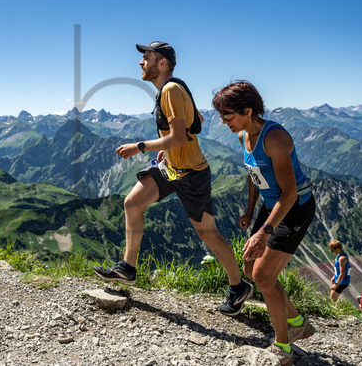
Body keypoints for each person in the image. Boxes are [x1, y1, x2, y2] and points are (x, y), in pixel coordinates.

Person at [93, 42, 253, 316]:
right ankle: (128, 269)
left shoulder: (170, 90)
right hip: (172, 168)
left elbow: (179, 137)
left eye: (147, 57)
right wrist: (166, 151)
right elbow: (196, 121)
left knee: (208, 233)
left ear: (162, 63)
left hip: (192, 175)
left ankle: (239, 287)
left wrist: (140, 146)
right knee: (132, 203)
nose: (141, 62)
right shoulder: (172, 89)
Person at [212, 80, 316, 365]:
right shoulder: (243, 136)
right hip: (272, 205)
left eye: (228, 115)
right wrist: (250, 210)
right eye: (221, 116)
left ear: (248, 111)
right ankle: (297, 322)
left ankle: (283, 346)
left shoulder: (274, 138)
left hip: (295, 208)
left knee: (263, 276)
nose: (224, 122)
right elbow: (254, 173)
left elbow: (290, 193)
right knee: (250, 266)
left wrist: (264, 232)